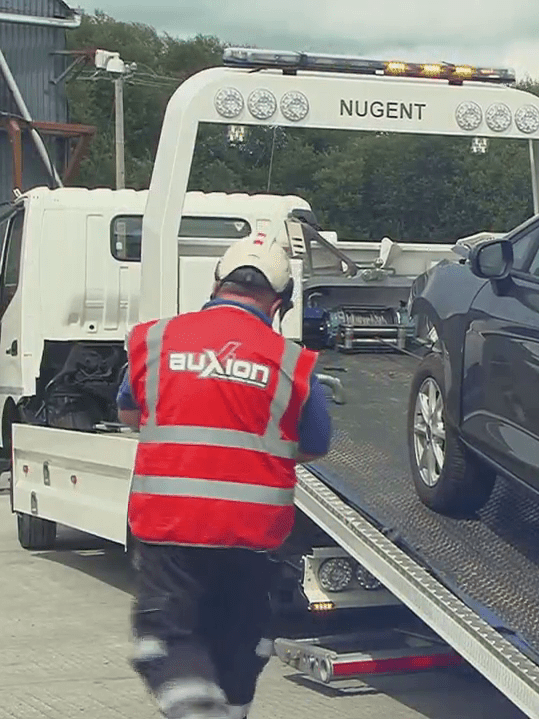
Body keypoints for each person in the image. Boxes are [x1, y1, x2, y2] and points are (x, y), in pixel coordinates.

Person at [116, 233, 332, 719]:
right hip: (252, 537)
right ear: (280, 303)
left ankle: (198, 712)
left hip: (170, 527)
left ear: (216, 283)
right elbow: (315, 445)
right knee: (239, 645)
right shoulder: (294, 364)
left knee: (166, 639)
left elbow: (131, 413)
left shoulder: (156, 339)